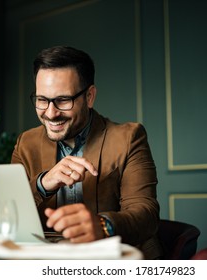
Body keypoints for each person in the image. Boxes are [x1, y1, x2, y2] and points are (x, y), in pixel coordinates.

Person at [11, 46, 162, 259]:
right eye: (42, 100)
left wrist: (102, 226)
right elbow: (7, 212)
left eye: (63, 100)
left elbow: (146, 214)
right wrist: (42, 184)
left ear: (89, 96)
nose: (51, 113)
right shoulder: (25, 143)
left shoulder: (129, 137)